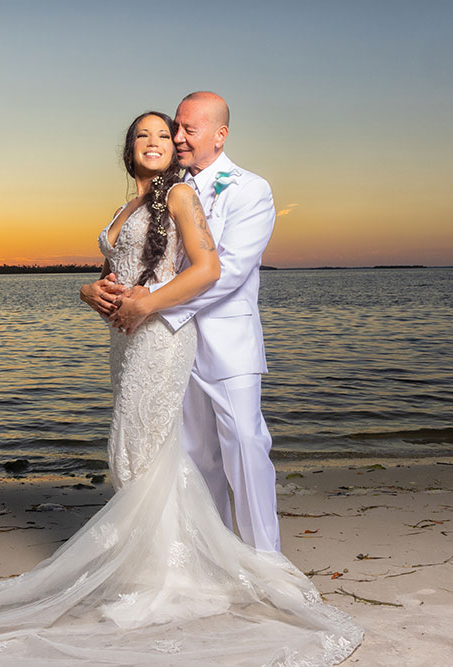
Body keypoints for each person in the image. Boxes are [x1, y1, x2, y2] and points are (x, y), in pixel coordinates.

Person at [0, 111, 361, 666]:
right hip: (131, 341)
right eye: (147, 134)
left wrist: (146, 304)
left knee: (171, 451)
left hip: (170, 334)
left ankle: (204, 573)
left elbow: (217, 269)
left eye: (169, 133)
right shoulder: (134, 205)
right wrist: (94, 291)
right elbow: (125, 266)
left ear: (209, 135)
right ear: (127, 148)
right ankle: (168, 565)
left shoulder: (203, 194)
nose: (162, 140)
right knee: (151, 455)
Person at [82, 91, 280, 552]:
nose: (178, 137)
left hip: (223, 339)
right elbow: (137, 257)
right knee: (193, 455)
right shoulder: (163, 187)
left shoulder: (251, 188)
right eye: (178, 127)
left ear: (220, 134)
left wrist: (148, 303)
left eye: (189, 129)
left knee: (245, 446)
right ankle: (212, 553)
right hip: (165, 343)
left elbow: (227, 270)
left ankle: (264, 557)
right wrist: (98, 290)